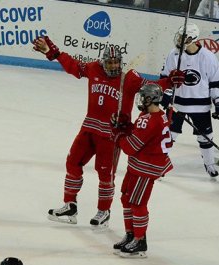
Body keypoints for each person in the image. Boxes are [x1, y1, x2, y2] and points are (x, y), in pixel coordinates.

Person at [32, 36, 184, 227]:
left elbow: (152, 86)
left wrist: (170, 81)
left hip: (111, 134)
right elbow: (74, 67)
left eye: (116, 62)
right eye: (110, 62)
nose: (113, 65)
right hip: (89, 128)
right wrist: (52, 53)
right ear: (103, 62)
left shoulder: (130, 77)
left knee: (105, 174)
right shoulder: (94, 68)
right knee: (72, 162)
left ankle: (103, 211)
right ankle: (70, 205)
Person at [111, 83, 173, 258]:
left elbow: (131, 146)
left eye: (143, 96)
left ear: (151, 99)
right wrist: (126, 127)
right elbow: (139, 133)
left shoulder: (151, 120)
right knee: (126, 198)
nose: (140, 100)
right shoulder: (154, 115)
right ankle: (131, 234)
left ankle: (140, 241)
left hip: (146, 167)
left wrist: (118, 135)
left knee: (137, 203)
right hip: (139, 164)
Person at [160, 23, 219, 177]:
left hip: (200, 106)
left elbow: (215, 83)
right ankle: (159, 163)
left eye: (183, 37)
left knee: (206, 137)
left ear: (192, 38)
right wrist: (165, 94)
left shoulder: (208, 57)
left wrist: (217, 102)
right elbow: (166, 78)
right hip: (177, 104)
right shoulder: (174, 54)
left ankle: (209, 164)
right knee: (168, 134)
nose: (179, 39)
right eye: (179, 36)